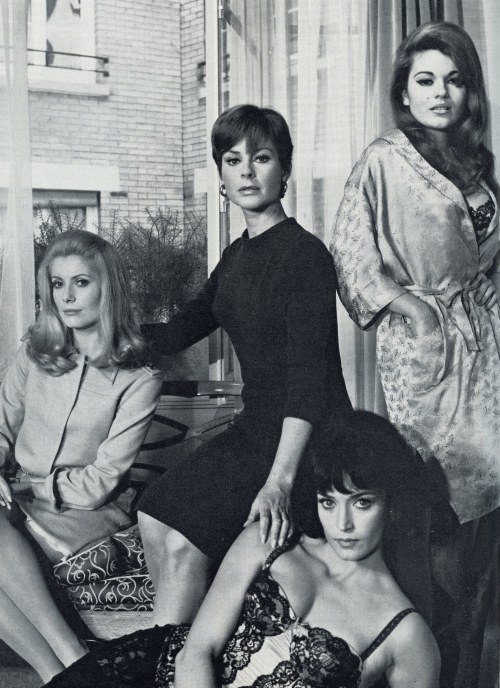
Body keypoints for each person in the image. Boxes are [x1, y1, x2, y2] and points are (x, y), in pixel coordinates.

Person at [330, 21, 499, 688]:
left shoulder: (478, 164)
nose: (440, 93)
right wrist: (411, 308)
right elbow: (350, 254)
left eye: (454, 80)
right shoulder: (383, 160)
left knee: (486, 523)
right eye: (425, 80)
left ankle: (471, 670)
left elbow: (486, 261)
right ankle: (424, 666)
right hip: (424, 359)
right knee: (430, 510)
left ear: (469, 92)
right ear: (404, 90)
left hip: (486, 357)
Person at [137, 103, 351, 627]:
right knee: (153, 513)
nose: (247, 172)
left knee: (183, 542)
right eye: (233, 160)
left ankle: (176, 656)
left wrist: (279, 482)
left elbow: (309, 384)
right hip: (256, 429)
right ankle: (181, 647)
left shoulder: (305, 256)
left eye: (262, 158)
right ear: (222, 175)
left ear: (285, 168)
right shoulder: (237, 256)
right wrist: (94, 331)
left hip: (307, 440)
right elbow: (178, 331)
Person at [44, 410, 440, 688]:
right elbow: (196, 651)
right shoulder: (270, 541)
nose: (343, 524)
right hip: (158, 671)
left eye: (362, 503)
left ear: (391, 504)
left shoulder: (406, 635)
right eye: (328, 502)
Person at [0, 229, 163, 683]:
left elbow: (101, 482)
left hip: (85, 514)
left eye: (81, 282)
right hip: (17, 503)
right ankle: (63, 672)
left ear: (107, 288)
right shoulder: (34, 353)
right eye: (57, 284)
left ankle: (70, 661)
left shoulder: (140, 378)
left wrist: (27, 486)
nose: (67, 297)